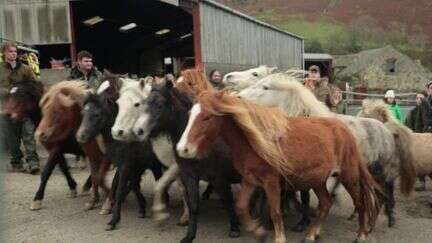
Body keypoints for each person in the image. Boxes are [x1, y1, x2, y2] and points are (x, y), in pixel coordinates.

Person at [0, 42, 40, 174]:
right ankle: (16, 162)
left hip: (24, 109)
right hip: (6, 109)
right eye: (10, 51)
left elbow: (35, 85)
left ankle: (33, 162)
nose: (13, 53)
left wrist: (23, 90)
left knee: (28, 135)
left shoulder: (26, 69)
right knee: (12, 139)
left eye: (15, 51)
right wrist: (8, 91)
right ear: (4, 53)